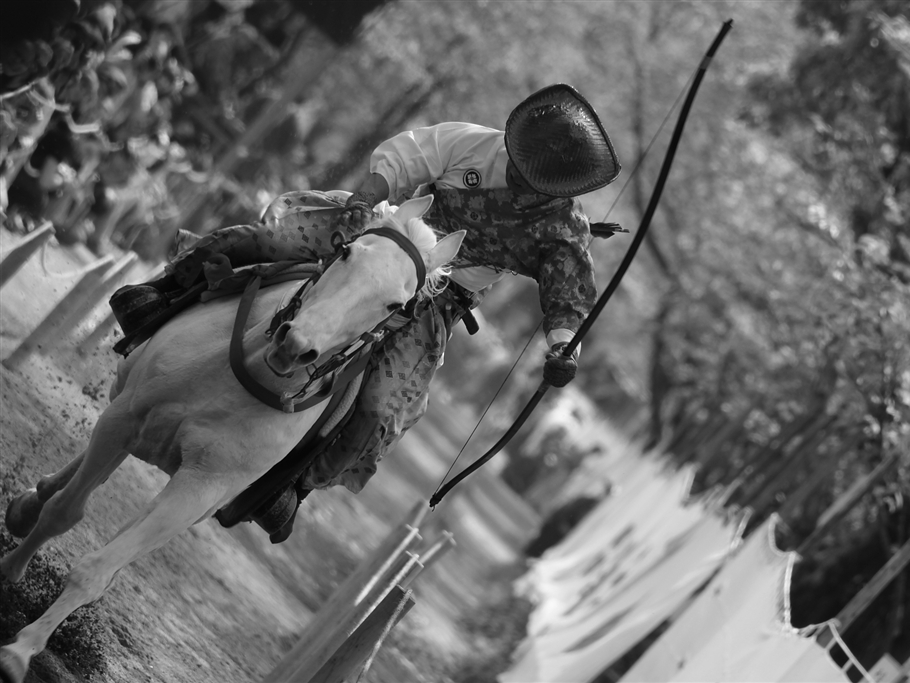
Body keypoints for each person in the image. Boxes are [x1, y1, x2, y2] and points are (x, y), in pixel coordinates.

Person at [109, 83, 621, 541]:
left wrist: (562, 349)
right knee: (271, 239)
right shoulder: (472, 143)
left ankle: (290, 485)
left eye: (534, 181)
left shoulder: (563, 229)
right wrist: (363, 201)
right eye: (520, 163)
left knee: (380, 407)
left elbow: (568, 292)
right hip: (384, 235)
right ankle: (163, 295)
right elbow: (405, 159)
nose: (519, 178)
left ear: (558, 189)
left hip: (438, 294)